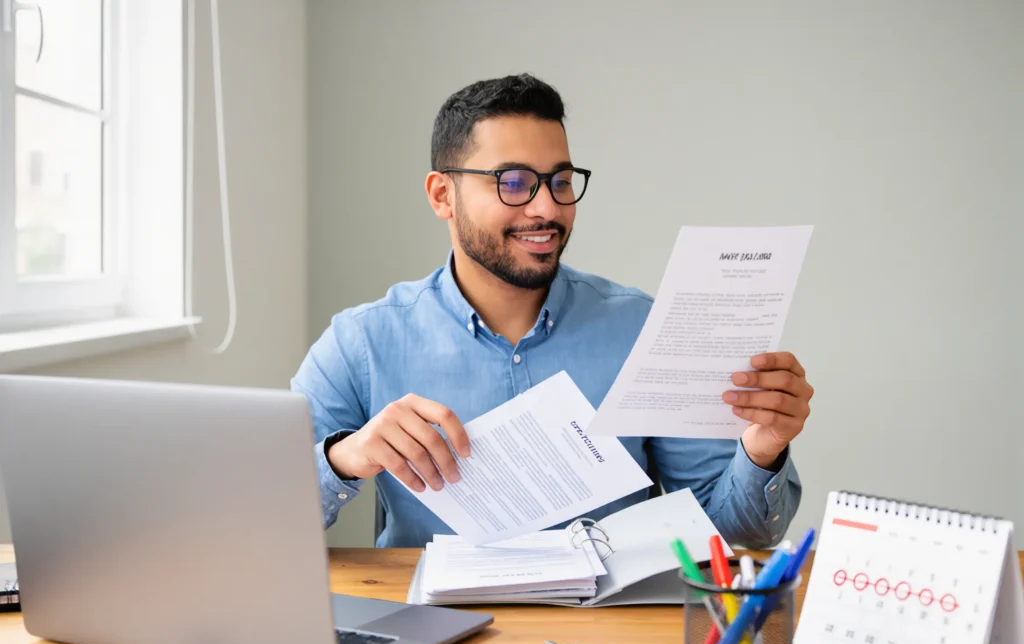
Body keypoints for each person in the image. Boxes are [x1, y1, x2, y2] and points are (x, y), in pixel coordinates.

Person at [291, 73, 814, 549]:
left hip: (610, 640)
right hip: (436, 634)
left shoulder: (641, 330)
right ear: (442, 195)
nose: (546, 208)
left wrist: (762, 448)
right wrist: (344, 458)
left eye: (560, 181)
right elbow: (258, 517)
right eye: (513, 182)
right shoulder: (361, 342)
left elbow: (734, 534)